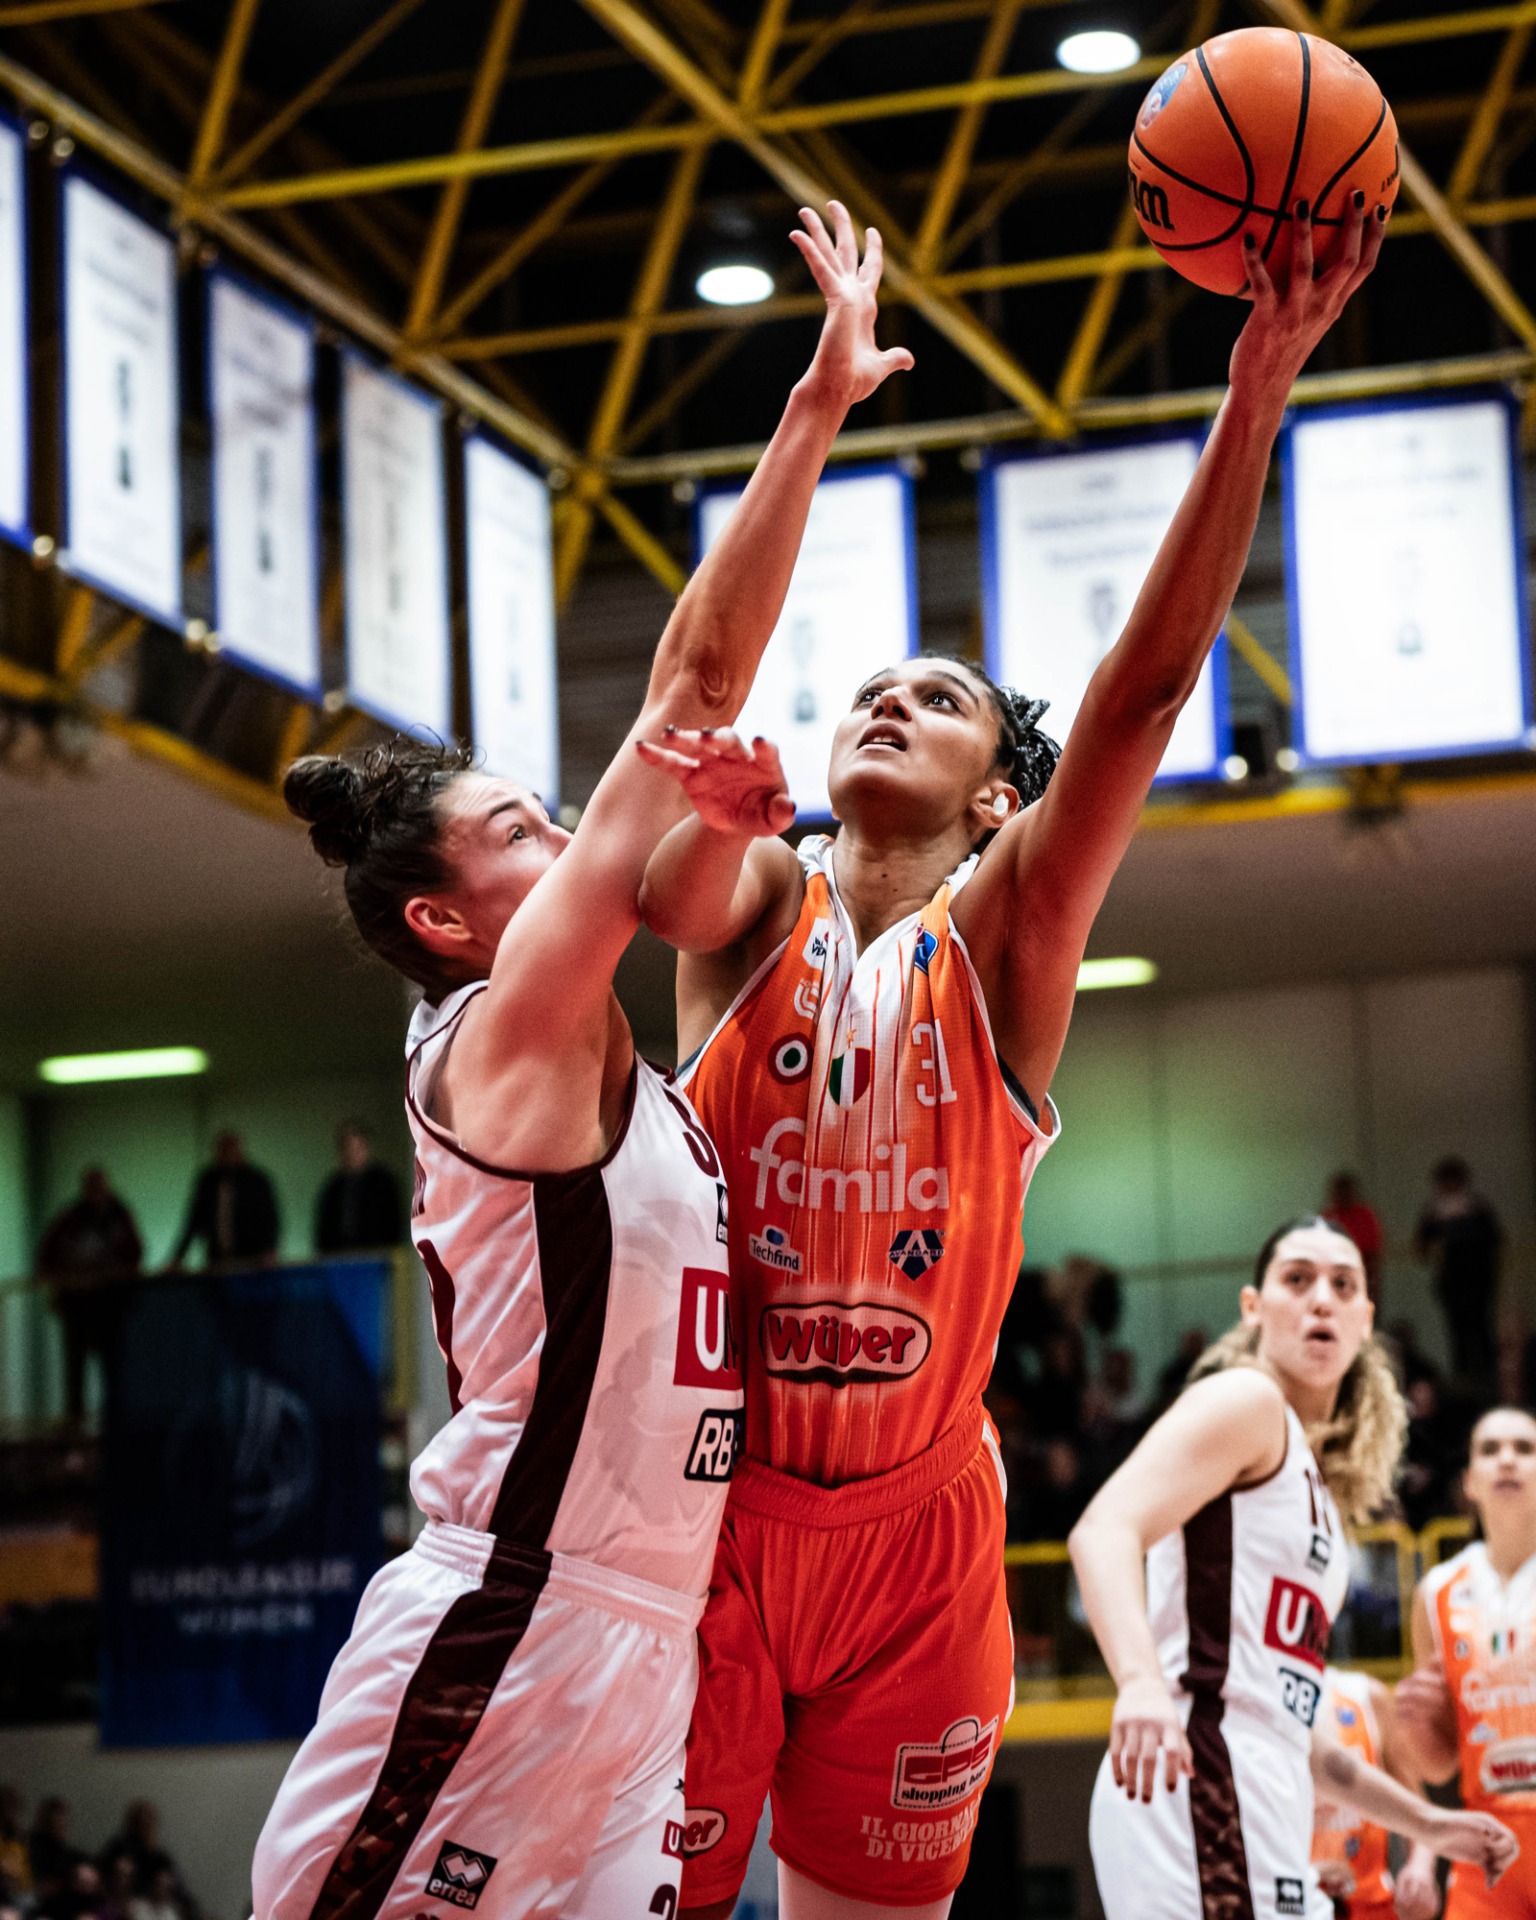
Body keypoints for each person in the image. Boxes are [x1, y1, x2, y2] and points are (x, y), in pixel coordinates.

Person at [635, 197, 1390, 1916]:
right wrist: (818, 406)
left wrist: (1257, 378)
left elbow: (1134, 699)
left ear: (997, 798)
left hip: (918, 1538)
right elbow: (683, 722)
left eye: (940, 698)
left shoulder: (1006, 948)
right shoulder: (754, 896)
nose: (885, 700)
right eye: (869, 692)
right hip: (711, 1521)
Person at [250, 204, 911, 1918]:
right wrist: (816, 407)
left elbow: (693, 868)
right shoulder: (498, 1039)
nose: (567, 830)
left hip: (644, 1643)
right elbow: (693, 677)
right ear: (449, 924)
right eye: (522, 827)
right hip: (507, 1621)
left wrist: (733, 823)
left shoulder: (650, 1107)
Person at [1067, 1216, 1515, 1920]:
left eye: (1343, 1285)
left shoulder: (1317, 1499)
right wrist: (1139, 1684)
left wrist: (1427, 1825)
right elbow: (1102, 1531)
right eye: (1297, 1280)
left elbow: (1298, 1729)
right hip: (1197, 1773)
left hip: (1264, 1787)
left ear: (1366, 1320)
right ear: (1254, 1309)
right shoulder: (1244, 1401)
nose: (1322, 1299)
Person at [1394, 1405, 1536, 1918]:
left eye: (1524, 1449)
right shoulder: (1436, 1592)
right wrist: (1413, 1728)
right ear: (1468, 1482)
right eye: (1490, 1450)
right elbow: (1438, 1764)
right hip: (1487, 1841)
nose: (1507, 1460)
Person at [1311, 1666, 1438, 1920]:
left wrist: (1420, 1869)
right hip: (1292, 1904)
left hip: (1369, 1905)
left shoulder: (1365, 1696)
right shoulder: (1251, 1700)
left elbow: (1418, 1805)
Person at [36, 1168, 142, 1424]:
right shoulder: (71, 1217)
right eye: (91, 1186)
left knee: (113, 1364)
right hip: (77, 1302)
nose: (96, 1191)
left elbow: (135, 1251)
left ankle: (115, 1417)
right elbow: (47, 1252)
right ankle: (75, 1419)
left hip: (110, 1303)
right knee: (75, 1365)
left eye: (99, 1185)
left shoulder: (119, 1215)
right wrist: (55, 1281)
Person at [1414, 1157, 1502, 1390]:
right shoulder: (1435, 1211)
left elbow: (1494, 1241)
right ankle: (1464, 1380)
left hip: (1478, 1281)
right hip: (1453, 1283)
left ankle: (1486, 1380)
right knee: (1458, 1333)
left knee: (1481, 1330)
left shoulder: (1477, 1207)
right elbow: (1421, 1247)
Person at [168, 1132, 280, 1269]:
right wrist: (178, 1257)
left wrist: (270, 1249)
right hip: (218, 1259)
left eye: (230, 1149)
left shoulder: (256, 1181)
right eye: (222, 1149)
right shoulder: (209, 1181)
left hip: (252, 1259)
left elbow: (270, 1218)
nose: (226, 1154)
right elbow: (194, 1220)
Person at [313, 1122, 402, 1254]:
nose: (352, 1154)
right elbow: (323, 1232)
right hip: (339, 1260)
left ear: (367, 1148)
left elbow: (394, 1227)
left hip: (376, 1259)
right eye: (347, 1148)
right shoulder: (333, 1188)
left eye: (357, 1148)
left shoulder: (384, 1185)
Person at [1323, 1173, 1383, 1308]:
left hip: (1362, 1276)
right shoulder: (1328, 1216)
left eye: (1345, 1191)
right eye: (1338, 1192)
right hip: (1332, 1278)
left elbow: (1372, 1252)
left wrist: (1371, 1283)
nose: (1341, 1195)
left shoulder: (1365, 1215)